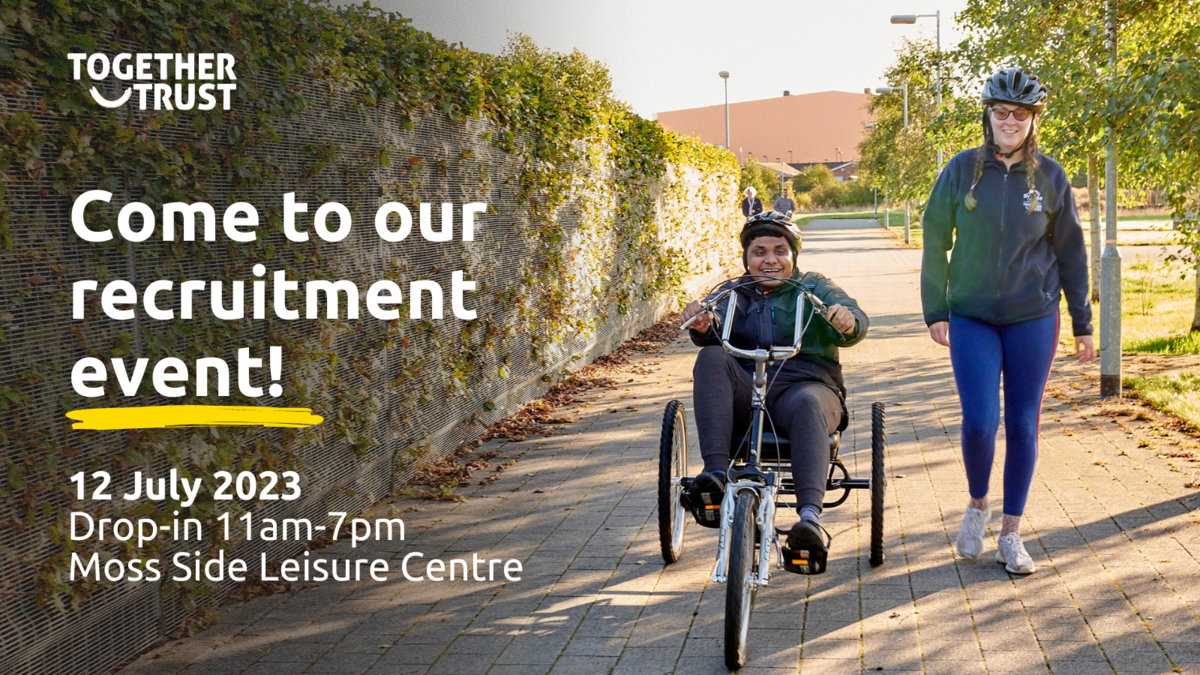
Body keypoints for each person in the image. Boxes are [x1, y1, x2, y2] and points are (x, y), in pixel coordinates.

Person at [921, 68, 1095, 574]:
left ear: (1033, 119)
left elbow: (1072, 254)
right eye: (1002, 112)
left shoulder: (1050, 177)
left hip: (1032, 318)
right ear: (988, 115)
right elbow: (936, 241)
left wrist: (1082, 321)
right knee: (980, 422)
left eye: (1021, 114)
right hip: (972, 316)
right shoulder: (960, 170)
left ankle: (1012, 533)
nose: (1010, 121)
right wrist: (936, 309)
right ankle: (978, 505)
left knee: (1021, 423)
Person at [681, 211, 869, 557]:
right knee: (710, 357)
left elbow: (857, 319)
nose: (770, 260)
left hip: (804, 384)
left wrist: (847, 320)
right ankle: (716, 476)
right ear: (747, 257)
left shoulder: (815, 286)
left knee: (809, 403)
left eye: (780, 251)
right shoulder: (732, 291)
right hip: (745, 389)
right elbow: (716, 314)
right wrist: (705, 324)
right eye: (760, 251)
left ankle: (809, 520)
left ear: (793, 255)